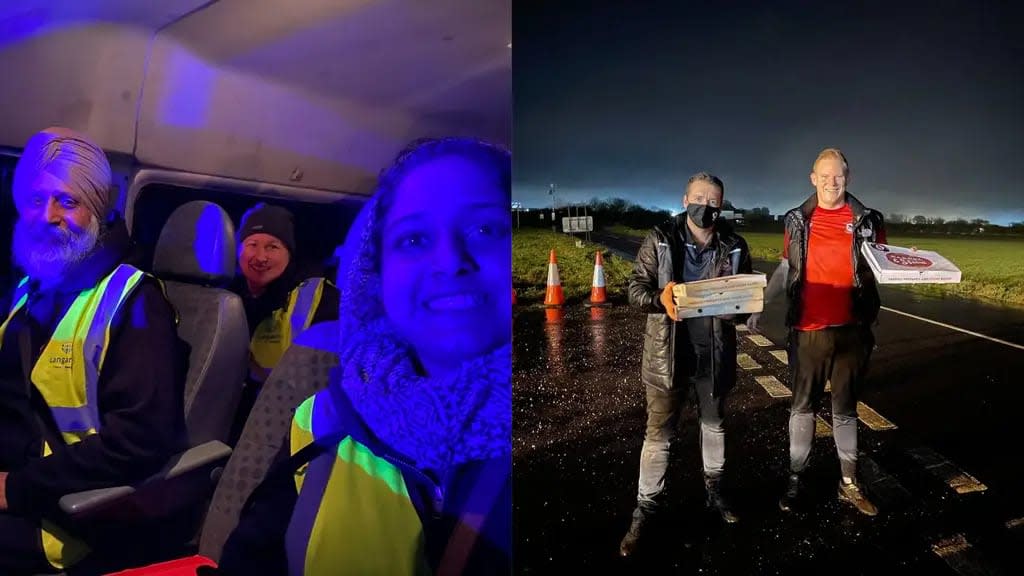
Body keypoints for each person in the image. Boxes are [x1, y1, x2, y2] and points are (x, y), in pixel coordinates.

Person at [215, 137, 512, 575]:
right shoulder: (318, 422)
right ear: (378, 279)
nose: (449, 261)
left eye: (485, 229)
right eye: (414, 238)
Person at [0, 127, 188, 574]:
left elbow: (142, 439)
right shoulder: (31, 288)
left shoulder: (136, 302)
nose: (47, 215)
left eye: (69, 201)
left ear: (99, 212)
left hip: (64, 515)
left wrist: (18, 487)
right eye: (36, 199)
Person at [619, 172, 752, 557]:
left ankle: (715, 493)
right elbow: (634, 290)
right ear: (684, 199)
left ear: (721, 205)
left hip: (714, 353)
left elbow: (744, 300)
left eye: (713, 201)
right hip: (667, 356)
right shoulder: (660, 238)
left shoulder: (734, 244)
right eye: (699, 198)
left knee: (714, 426)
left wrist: (738, 313)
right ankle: (645, 508)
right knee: (658, 435)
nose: (706, 207)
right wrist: (660, 299)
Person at [751, 147, 886, 516]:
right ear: (813, 178)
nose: (831, 182)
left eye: (838, 175)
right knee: (803, 408)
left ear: (848, 176)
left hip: (852, 332)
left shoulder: (869, 220)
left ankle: (849, 482)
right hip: (808, 331)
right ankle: (796, 480)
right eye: (824, 175)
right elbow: (784, 270)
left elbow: (882, 265)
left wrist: (913, 264)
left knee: (845, 410)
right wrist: (759, 302)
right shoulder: (796, 220)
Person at [227, 202, 339, 446]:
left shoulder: (319, 297)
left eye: (273, 247)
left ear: (289, 252)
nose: (260, 257)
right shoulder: (226, 296)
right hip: (231, 417)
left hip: (288, 429)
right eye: (252, 245)